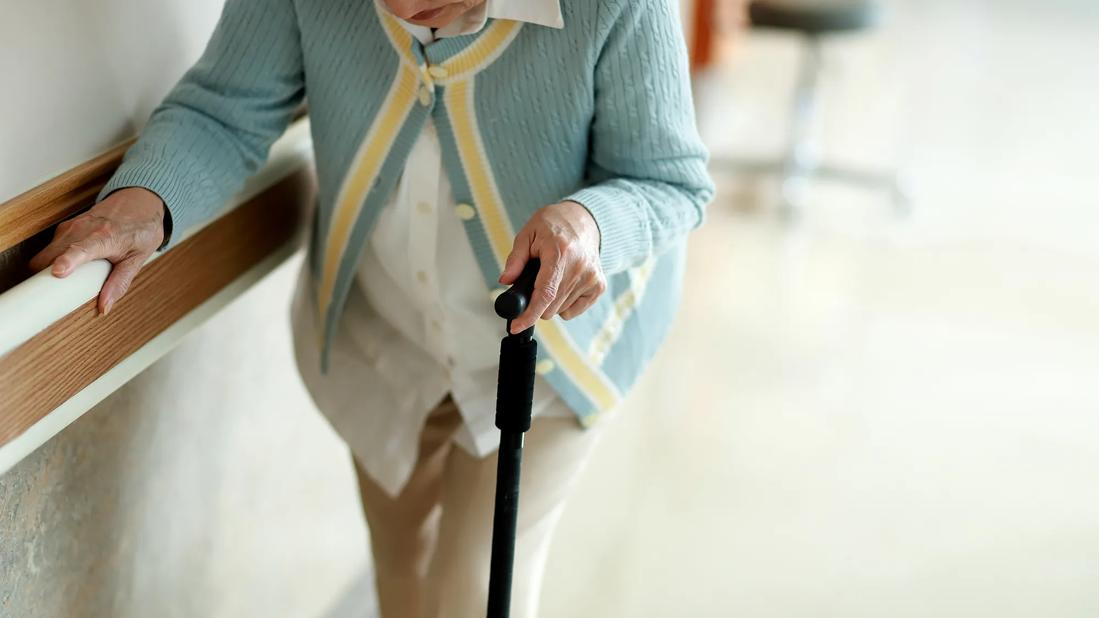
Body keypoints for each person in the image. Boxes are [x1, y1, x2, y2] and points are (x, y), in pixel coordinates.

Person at [30, 0, 714, 615]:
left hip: (547, 360)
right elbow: (223, 109)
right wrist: (143, 203)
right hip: (383, 337)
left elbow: (667, 182)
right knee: (402, 577)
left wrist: (586, 224)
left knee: (474, 589)